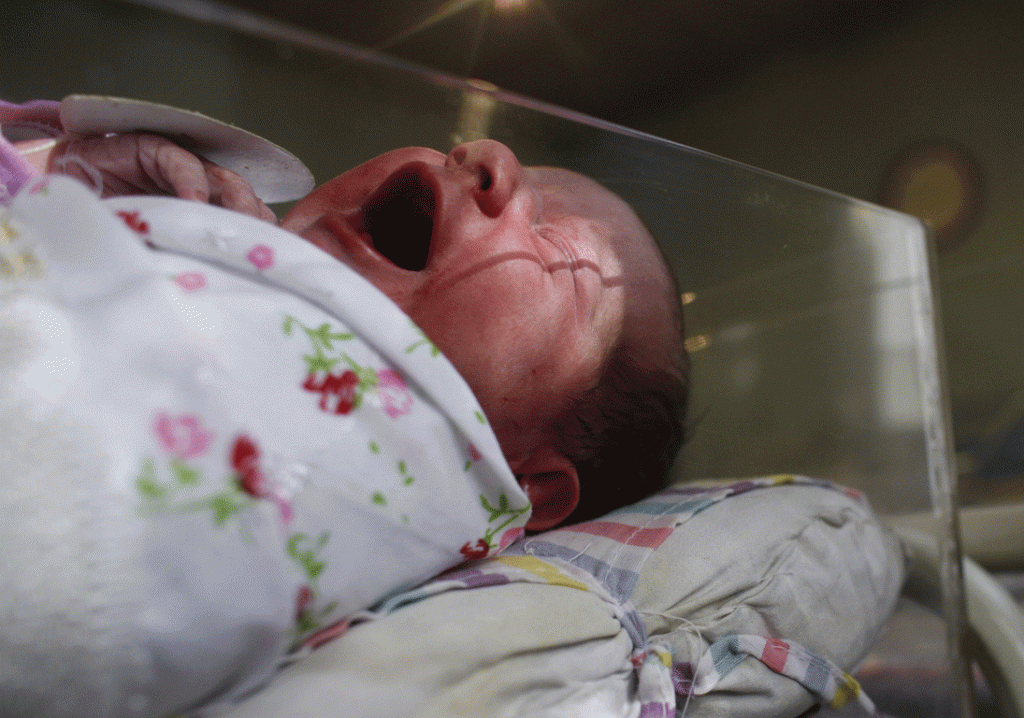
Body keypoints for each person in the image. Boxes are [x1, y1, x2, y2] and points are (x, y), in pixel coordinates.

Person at [7, 111, 690, 526]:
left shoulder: (344, 527)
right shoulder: (166, 234)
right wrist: (47, 174)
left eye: (558, 246)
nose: (489, 155)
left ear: (527, 482)